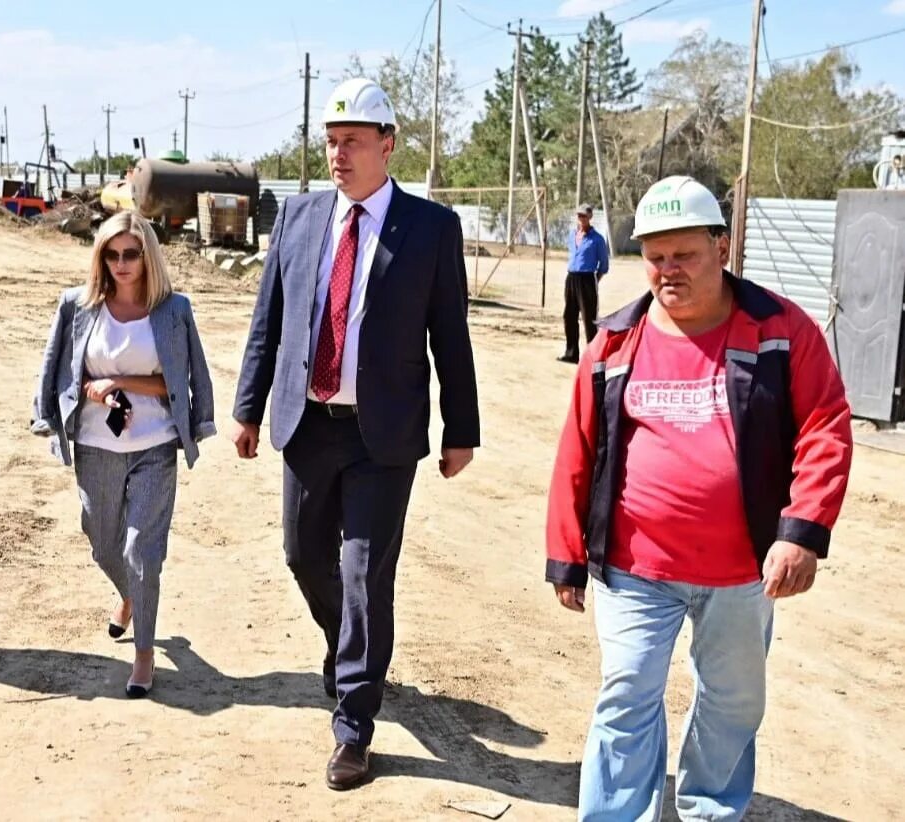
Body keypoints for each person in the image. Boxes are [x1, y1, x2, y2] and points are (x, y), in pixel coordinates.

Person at [545, 175, 853, 820]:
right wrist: (567, 553)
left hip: (743, 571)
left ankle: (710, 809)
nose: (667, 271)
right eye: (655, 258)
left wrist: (800, 532)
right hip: (635, 568)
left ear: (722, 245)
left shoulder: (780, 330)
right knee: (626, 693)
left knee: (732, 702)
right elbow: (578, 448)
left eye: (684, 254)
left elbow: (825, 426)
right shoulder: (615, 340)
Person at [231, 78, 480, 790]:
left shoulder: (430, 228)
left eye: (353, 142)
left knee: (365, 572)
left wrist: (462, 428)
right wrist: (249, 407)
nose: (339, 155)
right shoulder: (301, 216)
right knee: (303, 556)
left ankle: (353, 727)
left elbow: (450, 337)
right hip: (307, 424)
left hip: (384, 436)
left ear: (388, 145)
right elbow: (268, 320)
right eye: (332, 143)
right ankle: (350, 652)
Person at [32, 210, 215, 698]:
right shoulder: (78, 305)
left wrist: (124, 383)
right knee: (101, 538)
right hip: (96, 444)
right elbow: (57, 368)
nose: (120, 264)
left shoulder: (174, 310)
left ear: (147, 255)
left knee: (142, 549)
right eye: (111, 255)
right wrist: (81, 396)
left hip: (155, 444)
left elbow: (181, 378)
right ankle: (131, 597)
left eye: (130, 253)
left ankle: (144, 652)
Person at [558, 203, 609, 364]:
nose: (581, 219)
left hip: (587, 279)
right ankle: (571, 353)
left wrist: (595, 280)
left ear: (590, 217)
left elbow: (604, 265)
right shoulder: (572, 235)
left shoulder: (597, 239)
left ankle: (594, 357)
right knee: (569, 316)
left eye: (584, 216)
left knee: (589, 318)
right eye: (579, 215)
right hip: (571, 278)